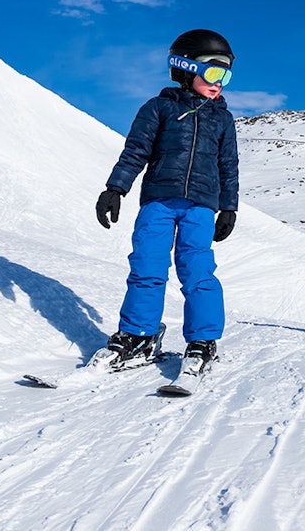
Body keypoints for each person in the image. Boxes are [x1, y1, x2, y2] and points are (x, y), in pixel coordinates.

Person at [94, 29, 240, 372]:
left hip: (200, 207)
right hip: (158, 202)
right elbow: (135, 152)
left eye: (226, 76)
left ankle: (203, 340)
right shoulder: (158, 108)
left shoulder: (222, 119)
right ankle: (138, 335)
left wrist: (229, 208)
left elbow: (228, 167)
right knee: (147, 266)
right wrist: (115, 189)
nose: (219, 83)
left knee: (197, 270)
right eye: (214, 72)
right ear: (186, 68)